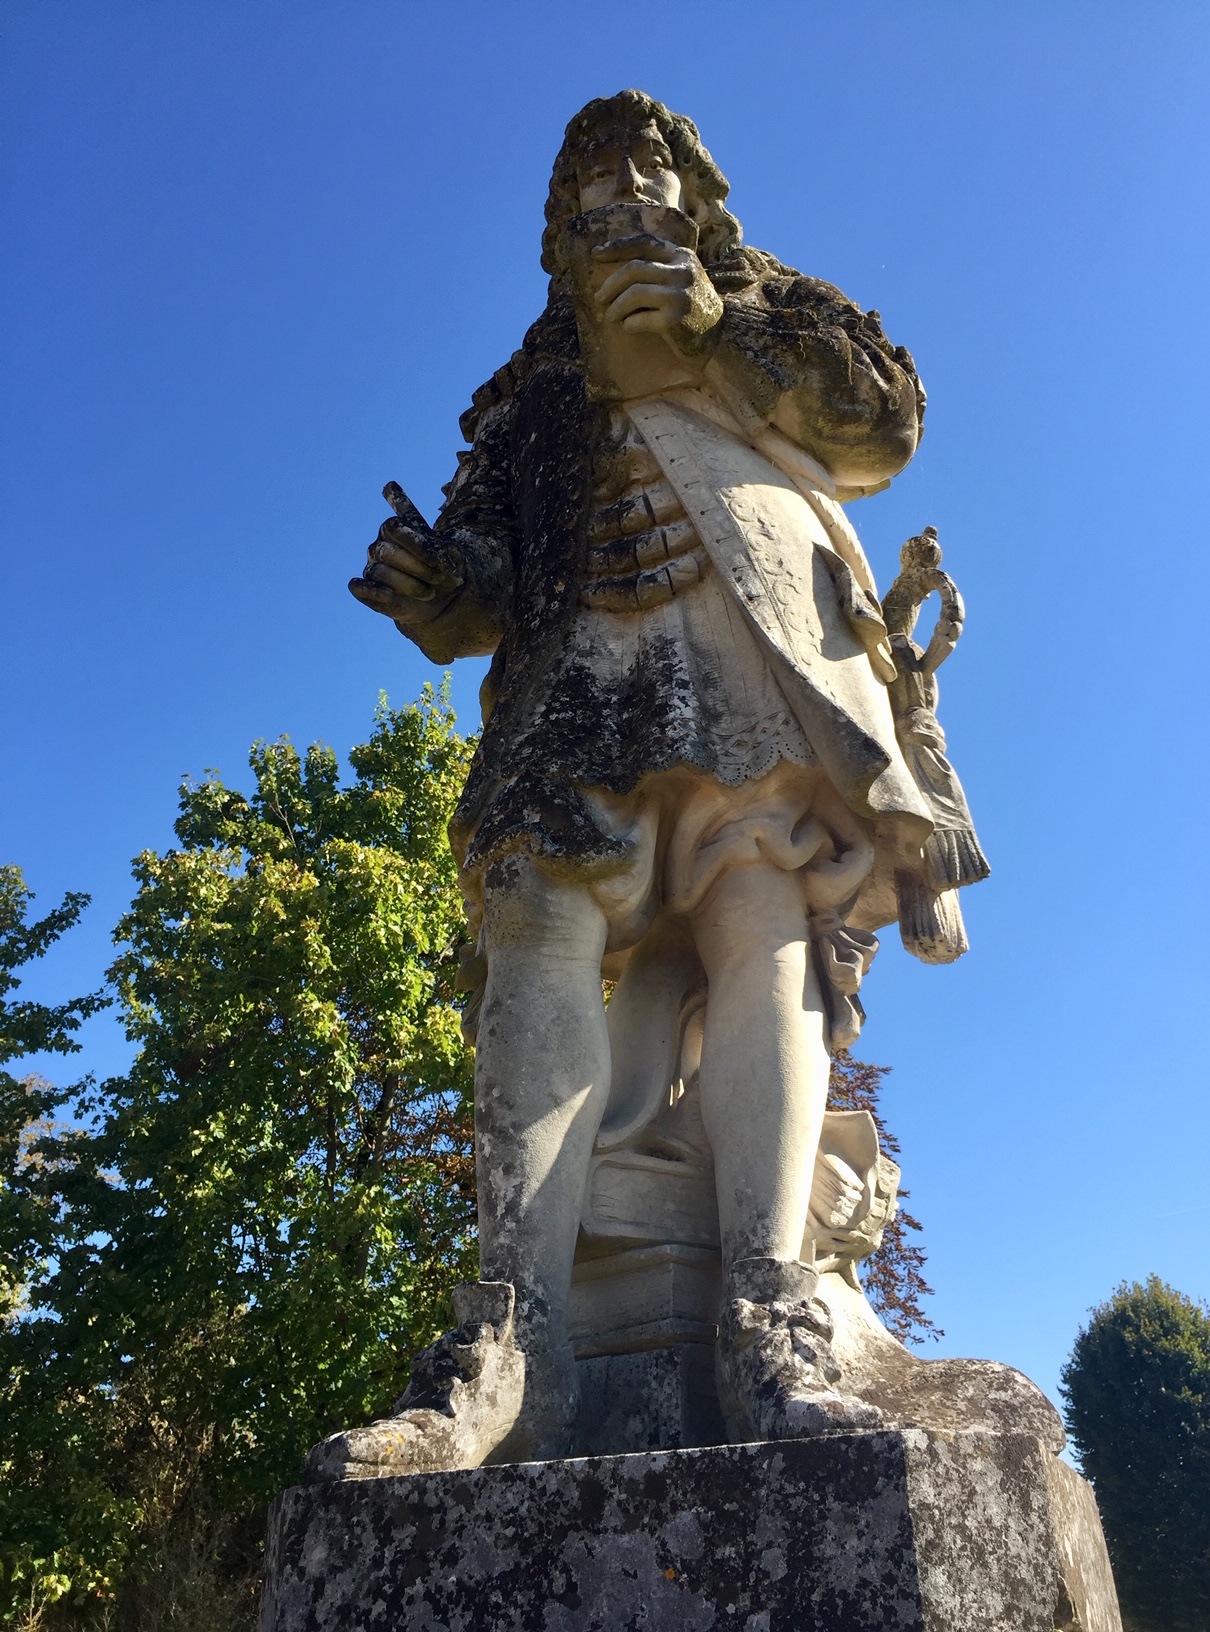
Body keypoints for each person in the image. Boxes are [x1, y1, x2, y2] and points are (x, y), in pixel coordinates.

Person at [307, 89, 986, 1480]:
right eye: (590, 189)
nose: (619, 199)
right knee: (532, 916)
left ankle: (769, 1316)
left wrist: (717, 334)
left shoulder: (769, 301)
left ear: (692, 193)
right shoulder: (531, 389)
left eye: (643, 173)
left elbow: (884, 422)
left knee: (761, 921)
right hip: (580, 677)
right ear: (559, 228)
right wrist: (439, 585)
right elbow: (487, 563)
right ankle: (514, 1344)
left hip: (748, 652)